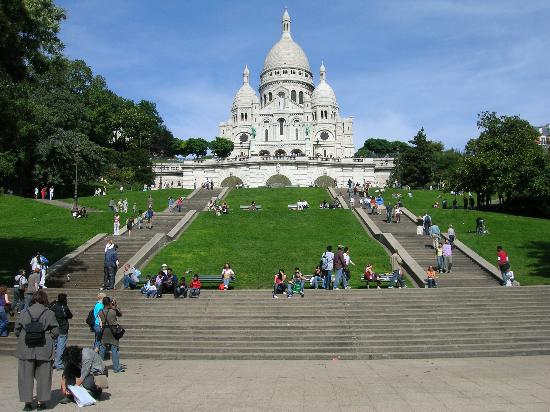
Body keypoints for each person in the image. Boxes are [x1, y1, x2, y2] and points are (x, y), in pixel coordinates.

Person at [15, 290, 59, 411]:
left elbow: (17, 329)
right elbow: (56, 331)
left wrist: (24, 336)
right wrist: (49, 336)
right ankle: (41, 402)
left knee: (25, 375)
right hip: (44, 346)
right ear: (45, 299)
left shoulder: (24, 312)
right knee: (44, 375)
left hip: (26, 346)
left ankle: (27, 403)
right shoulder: (49, 313)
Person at [98, 297, 125, 373]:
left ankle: (100, 368)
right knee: (114, 349)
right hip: (113, 331)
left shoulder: (100, 312)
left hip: (104, 331)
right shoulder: (113, 311)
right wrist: (115, 305)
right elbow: (120, 314)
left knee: (102, 349)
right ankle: (116, 367)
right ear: (110, 303)